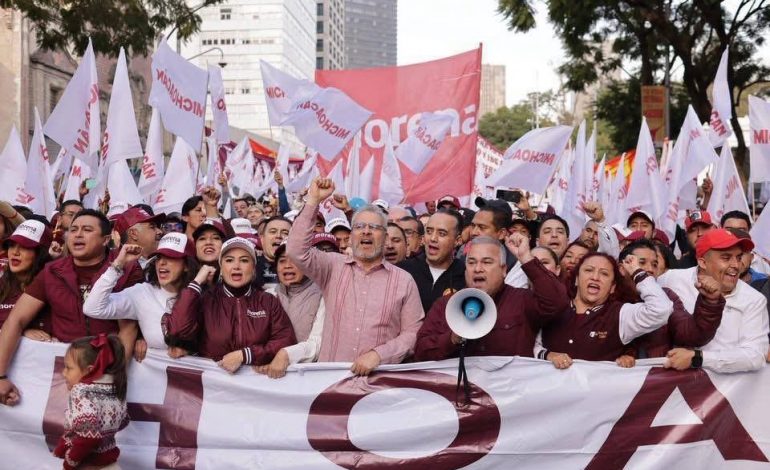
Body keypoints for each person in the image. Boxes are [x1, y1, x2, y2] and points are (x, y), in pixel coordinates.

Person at [0, 210, 144, 406]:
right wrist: (0, 376)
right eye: (73, 229)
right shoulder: (52, 271)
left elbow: (128, 329)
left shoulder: (127, 268)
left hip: (108, 371)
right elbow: (16, 319)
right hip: (60, 376)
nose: (77, 234)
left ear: (105, 239)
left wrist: (111, 380)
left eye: (87, 230)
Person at [287, 177, 424, 375]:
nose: (366, 232)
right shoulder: (332, 266)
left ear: (385, 238)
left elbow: (412, 334)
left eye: (374, 228)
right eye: (359, 227)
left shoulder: (404, 281)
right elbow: (295, 251)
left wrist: (379, 355)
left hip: (376, 387)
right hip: (329, 383)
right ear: (351, 236)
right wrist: (313, 201)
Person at [414, 234, 569, 361]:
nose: (478, 269)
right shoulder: (446, 305)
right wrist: (452, 339)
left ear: (503, 270)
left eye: (487, 262)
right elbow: (421, 352)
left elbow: (557, 301)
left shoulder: (522, 301)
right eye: (471, 262)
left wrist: (526, 257)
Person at [165, 237, 296, 372]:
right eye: (229, 260)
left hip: (256, 387)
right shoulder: (205, 300)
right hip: (214, 386)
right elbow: (177, 330)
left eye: (244, 260)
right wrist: (196, 282)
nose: (236, 266)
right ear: (221, 268)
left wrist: (246, 355)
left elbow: (285, 340)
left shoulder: (268, 301)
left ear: (253, 269)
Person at [658, 229, 769, 372]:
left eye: (739, 257)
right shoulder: (671, 280)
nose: (736, 265)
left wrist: (698, 358)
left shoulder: (754, 300)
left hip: (727, 391)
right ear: (703, 262)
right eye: (726, 257)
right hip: (672, 387)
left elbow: (756, 355)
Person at [540, 252, 674, 368]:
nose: (595, 277)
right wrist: (547, 355)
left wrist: (636, 271)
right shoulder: (554, 306)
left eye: (604, 274)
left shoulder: (620, 314)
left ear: (612, 287)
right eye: (588, 270)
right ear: (576, 279)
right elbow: (527, 343)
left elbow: (662, 309)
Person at [83, 233, 198, 361]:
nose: (162, 263)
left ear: (187, 265)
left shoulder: (203, 296)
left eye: (171, 257)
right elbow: (92, 308)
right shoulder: (141, 293)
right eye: (159, 257)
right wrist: (118, 265)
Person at [617, 239, 725, 359]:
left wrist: (710, 303)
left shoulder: (667, 296)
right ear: (622, 268)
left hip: (654, 375)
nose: (650, 269)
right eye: (641, 263)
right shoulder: (606, 298)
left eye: (654, 264)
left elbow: (692, 335)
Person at [54, 334, 129, 470]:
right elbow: (124, 421)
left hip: (86, 463)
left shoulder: (81, 392)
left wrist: (70, 462)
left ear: (89, 370)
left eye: (69, 368)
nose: (64, 373)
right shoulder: (115, 388)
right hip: (110, 464)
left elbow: (89, 437)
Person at [256, 244, 325, 378]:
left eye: (295, 260)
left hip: (307, 378)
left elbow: (318, 343)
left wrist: (286, 355)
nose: (287, 265)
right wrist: (263, 357)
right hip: (269, 377)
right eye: (282, 261)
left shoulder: (323, 296)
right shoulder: (268, 296)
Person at [398, 210, 466, 314]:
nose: (433, 238)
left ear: (458, 240)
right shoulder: (403, 271)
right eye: (429, 231)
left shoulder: (465, 276)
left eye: (442, 234)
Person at [0, 220, 52, 335]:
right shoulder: (2, 283)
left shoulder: (52, 287)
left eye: (25, 247)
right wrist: (20, 331)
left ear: (40, 254)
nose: (15, 252)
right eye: (12, 246)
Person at [469, 197, 516, 270]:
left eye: (482, 227)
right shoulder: (464, 257)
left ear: (501, 234)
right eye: (473, 225)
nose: (473, 232)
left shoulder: (515, 267)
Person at [258, 216, 292, 288]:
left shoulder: (301, 269)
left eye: (285, 233)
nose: (278, 236)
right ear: (262, 239)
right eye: (273, 232)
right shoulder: (251, 267)